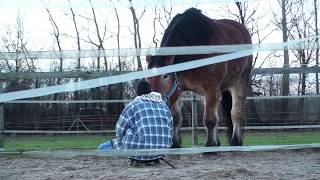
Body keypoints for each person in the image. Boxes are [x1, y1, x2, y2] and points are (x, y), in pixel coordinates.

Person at [97, 79, 173, 167]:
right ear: (151, 90)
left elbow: (120, 130)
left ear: (136, 92)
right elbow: (170, 129)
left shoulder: (133, 105)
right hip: (163, 148)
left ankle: (138, 159)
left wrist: (125, 137)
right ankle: (154, 159)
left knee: (102, 148)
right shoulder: (164, 106)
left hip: (139, 148)